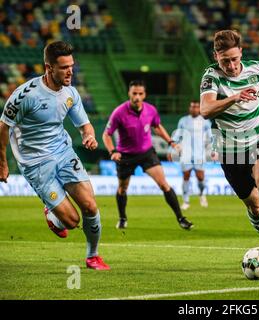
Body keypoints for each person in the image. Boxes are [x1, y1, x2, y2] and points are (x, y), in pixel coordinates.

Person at [0, 41, 110, 270]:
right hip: (36, 164)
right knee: (71, 221)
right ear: (49, 68)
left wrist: (89, 136)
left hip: (63, 152)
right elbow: (3, 127)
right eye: (64, 67)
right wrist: (2, 163)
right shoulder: (25, 95)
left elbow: (85, 126)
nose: (70, 71)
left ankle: (93, 256)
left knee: (90, 206)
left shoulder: (71, 93)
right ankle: (52, 214)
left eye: (72, 65)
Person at [200, 30, 259, 270]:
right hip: (229, 151)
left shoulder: (256, 68)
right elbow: (205, 109)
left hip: (258, 139)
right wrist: (234, 98)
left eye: (234, 58)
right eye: (225, 61)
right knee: (255, 206)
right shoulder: (211, 77)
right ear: (216, 56)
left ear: (241, 52)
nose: (231, 65)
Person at [102, 80, 194, 230]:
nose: (137, 97)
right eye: (134, 93)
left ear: (144, 95)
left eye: (140, 93)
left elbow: (157, 127)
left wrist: (172, 142)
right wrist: (113, 151)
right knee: (122, 189)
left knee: (164, 184)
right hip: (125, 156)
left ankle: (181, 218)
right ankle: (122, 218)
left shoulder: (151, 110)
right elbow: (106, 135)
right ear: (129, 94)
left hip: (146, 153)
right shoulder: (119, 112)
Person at [167, 101, 213, 210]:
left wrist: (214, 150)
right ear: (190, 108)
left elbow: (211, 137)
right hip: (186, 154)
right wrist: (170, 150)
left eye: (197, 107)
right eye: (192, 107)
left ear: (200, 108)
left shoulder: (205, 121)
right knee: (186, 176)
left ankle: (202, 194)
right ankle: (186, 201)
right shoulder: (183, 121)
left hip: (199, 154)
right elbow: (177, 136)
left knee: (200, 177)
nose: (194, 109)